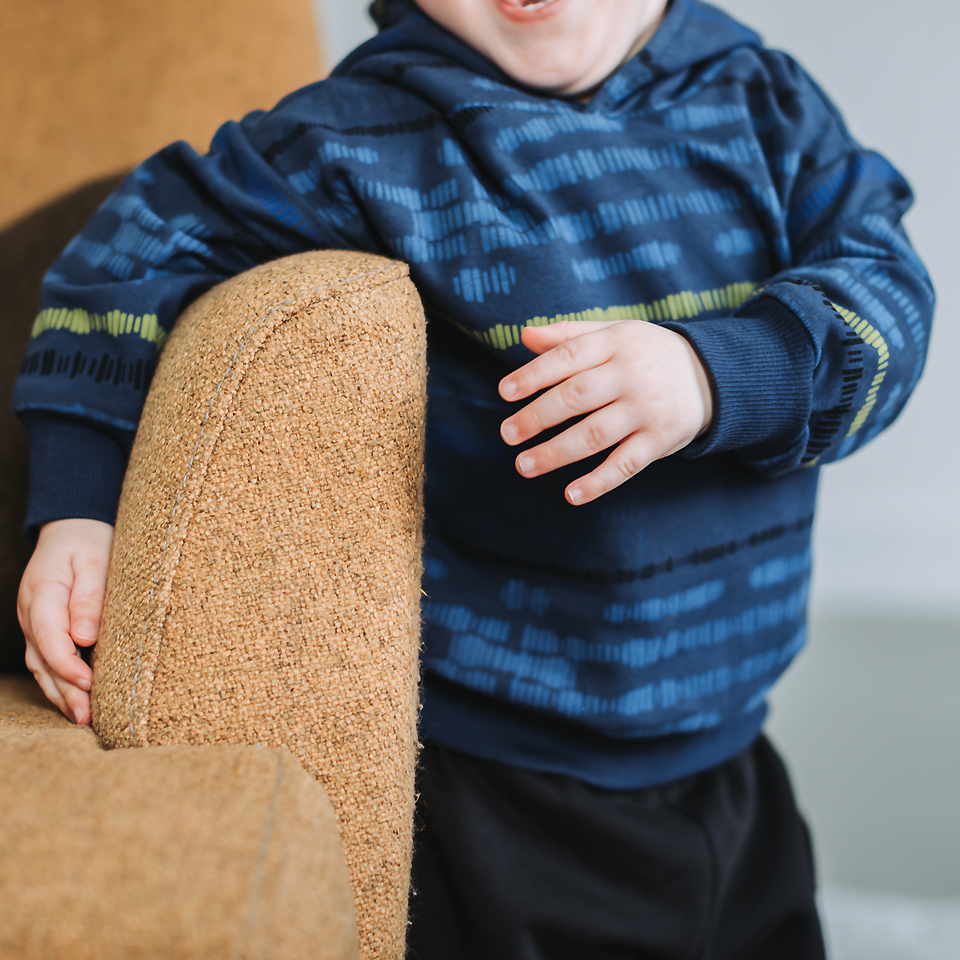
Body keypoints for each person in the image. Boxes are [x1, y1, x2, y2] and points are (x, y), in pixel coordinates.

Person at [14, 0, 933, 956]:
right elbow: (133, 254)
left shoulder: (763, 103)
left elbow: (888, 290)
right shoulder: (364, 132)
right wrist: (80, 506)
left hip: (732, 748)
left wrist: (720, 374)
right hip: (490, 774)